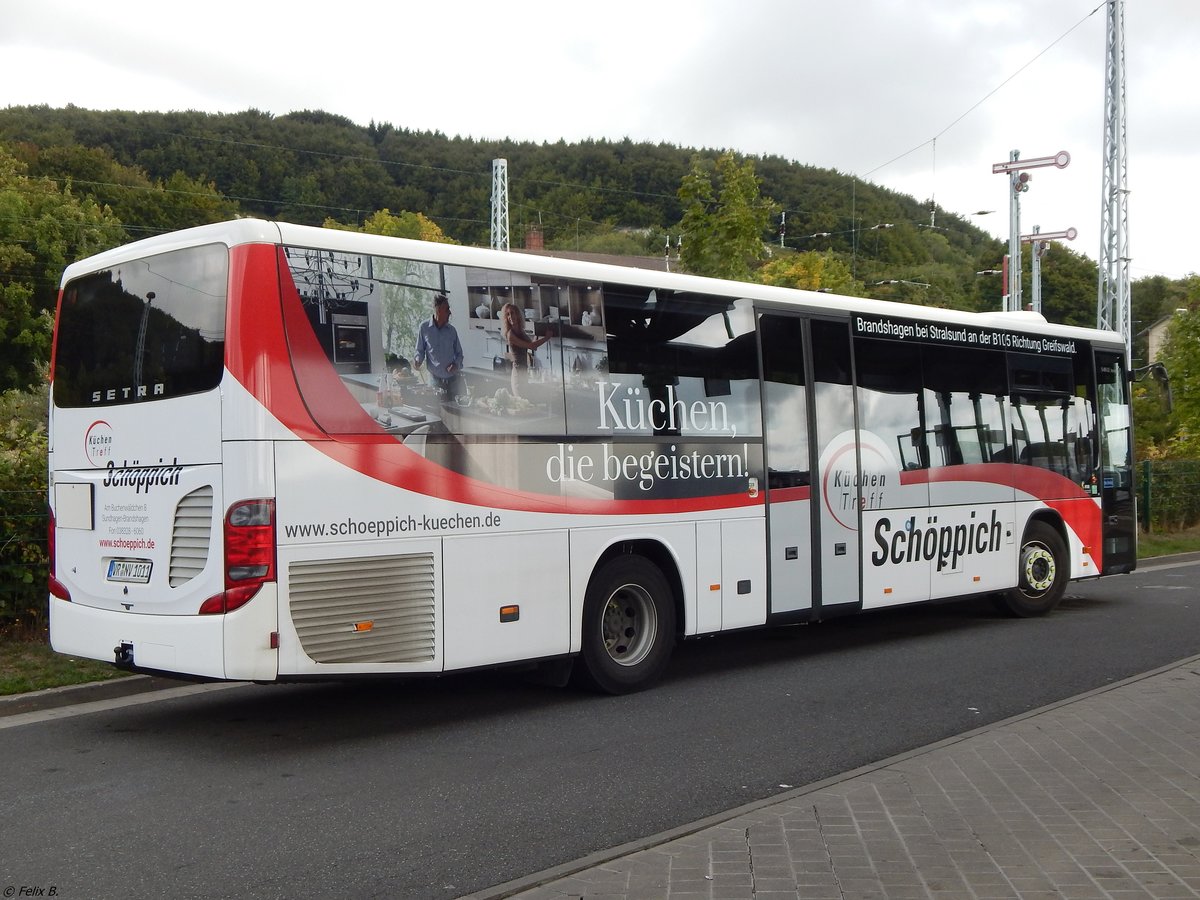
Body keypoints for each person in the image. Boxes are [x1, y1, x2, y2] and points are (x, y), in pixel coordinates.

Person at [414, 294, 464, 397]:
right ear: (439, 310)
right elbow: (420, 351)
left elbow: (459, 354)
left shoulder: (452, 331)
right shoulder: (424, 328)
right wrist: (418, 360)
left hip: (453, 382)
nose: (450, 312)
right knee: (435, 411)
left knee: (455, 411)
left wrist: (456, 364)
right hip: (434, 382)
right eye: (447, 309)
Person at [500, 302, 552, 398]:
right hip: (518, 374)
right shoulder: (510, 334)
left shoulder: (520, 330)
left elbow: (533, 346)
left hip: (523, 372)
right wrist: (546, 338)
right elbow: (531, 346)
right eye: (508, 314)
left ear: (517, 314)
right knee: (522, 402)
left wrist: (538, 332)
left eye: (512, 313)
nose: (510, 316)